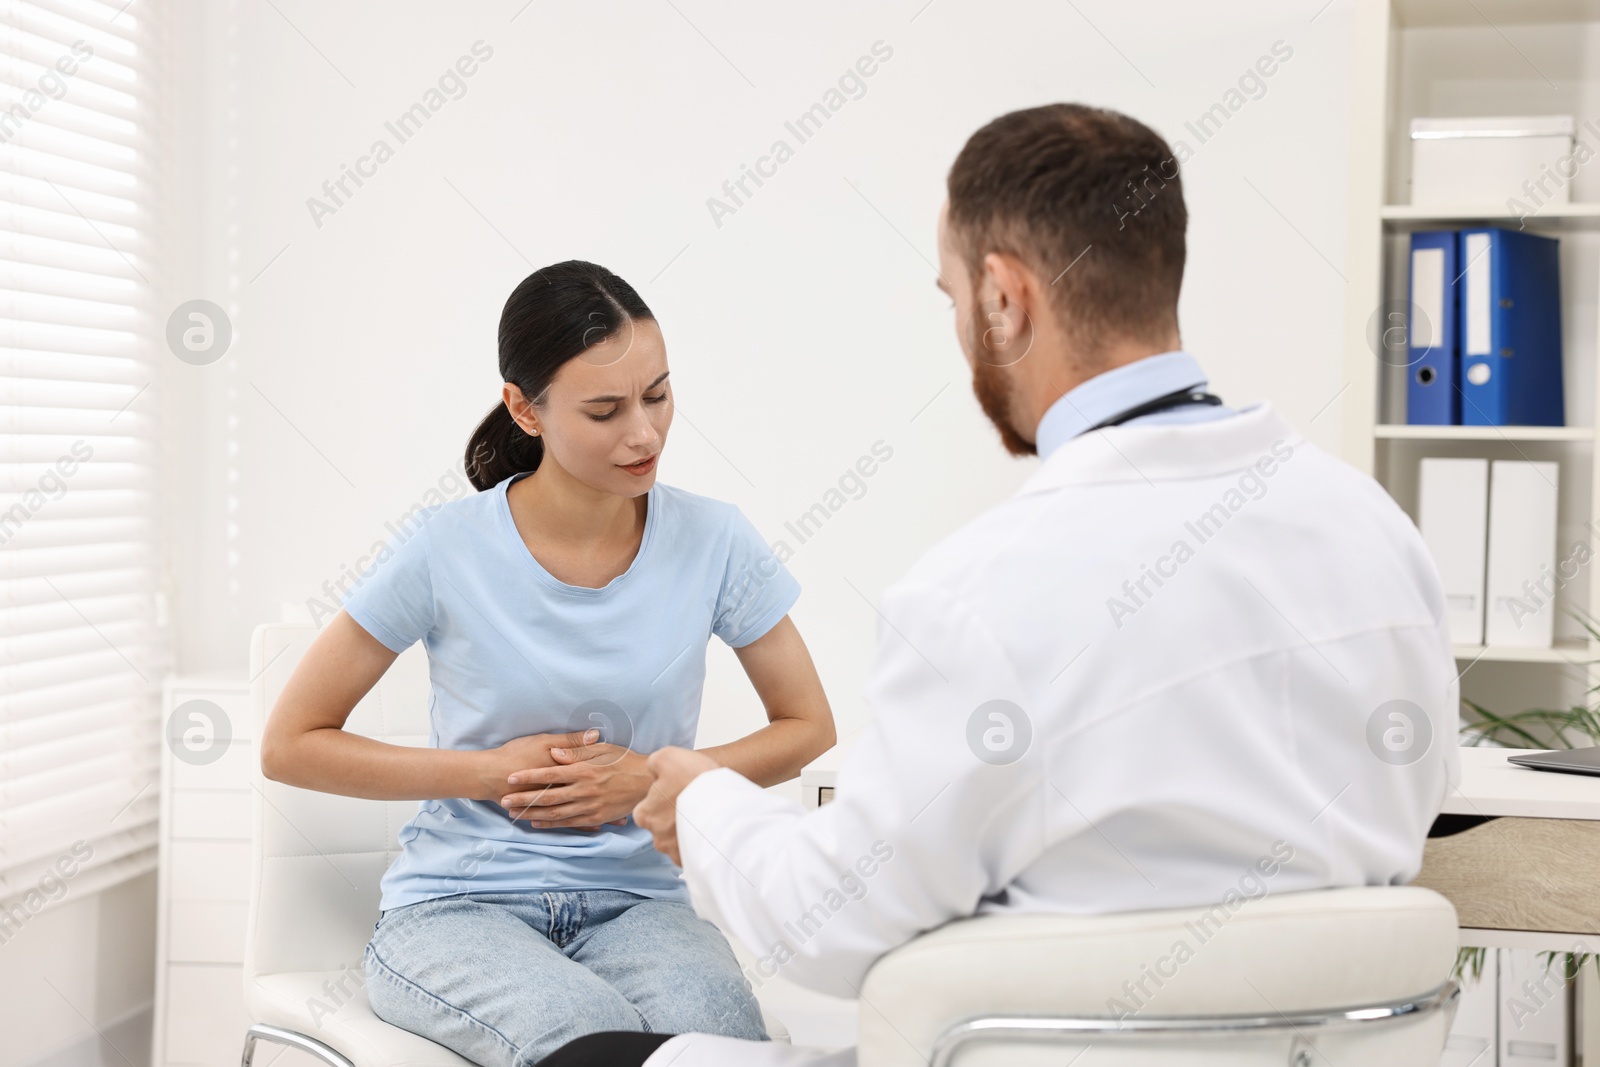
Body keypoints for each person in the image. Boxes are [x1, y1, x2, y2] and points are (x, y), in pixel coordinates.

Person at [582, 103, 1459, 1066]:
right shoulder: (1375, 533)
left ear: (1005, 297)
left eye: (953, 295)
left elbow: (830, 925)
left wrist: (706, 803)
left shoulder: (984, 592)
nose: (962, 327)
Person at [259, 259, 837, 1066]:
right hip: (459, 907)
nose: (644, 433)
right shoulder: (445, 548)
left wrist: (654, 779)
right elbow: (290, 741)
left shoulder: (715, 540)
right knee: (587, 1033)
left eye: (658, 395)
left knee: (721, 1042)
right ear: (524, 409)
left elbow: (808, 724)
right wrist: (488, 773)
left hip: (643, 902)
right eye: (604, 410)